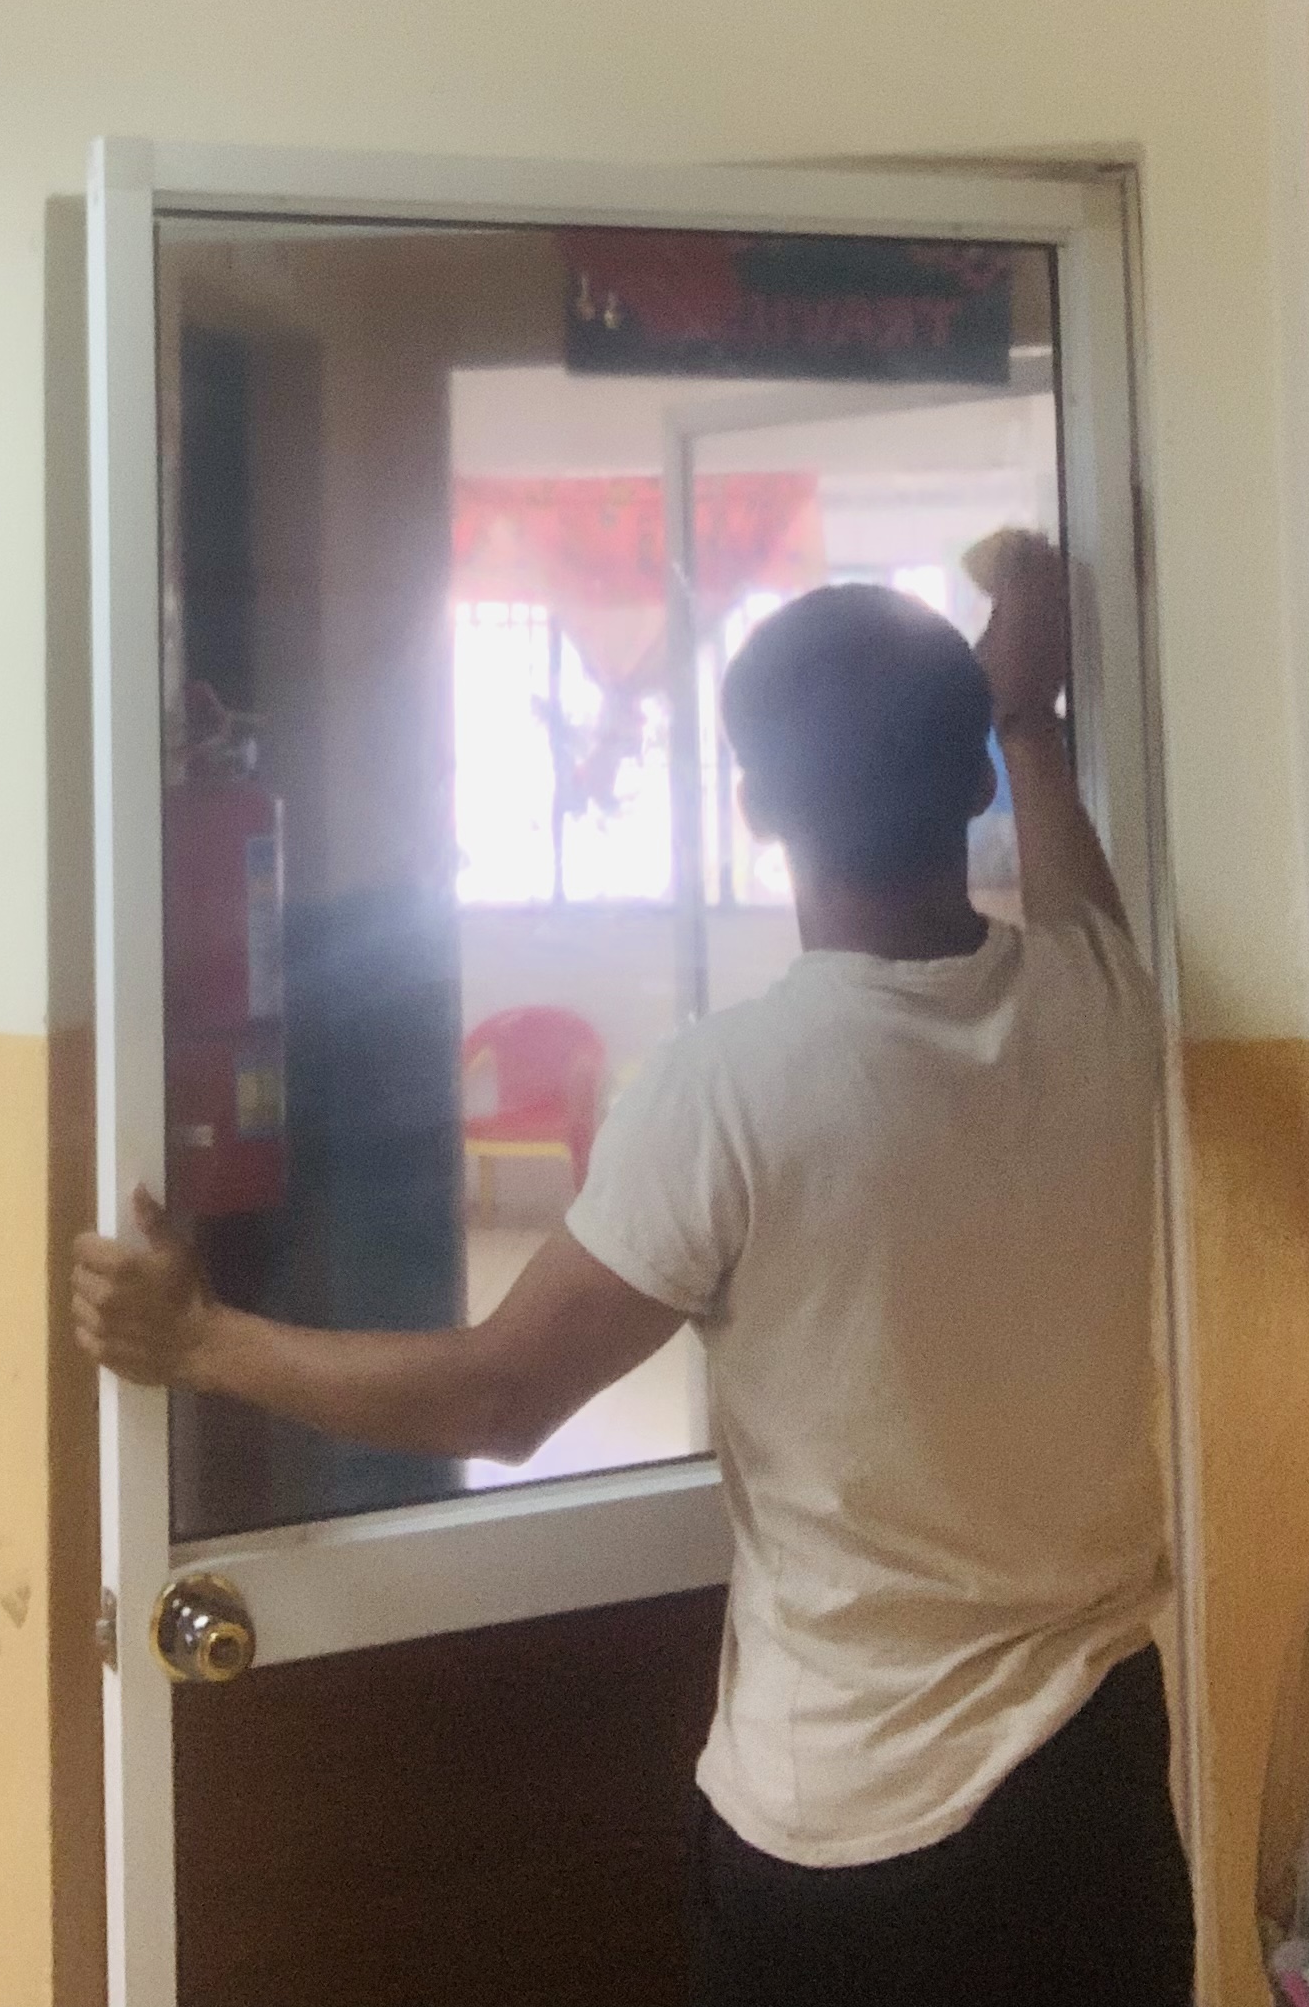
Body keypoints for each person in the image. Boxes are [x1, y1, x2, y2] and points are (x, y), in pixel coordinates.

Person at [73, 537, 1191, 2005]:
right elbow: (1070, 874)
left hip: (857, 1843)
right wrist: (1026, 715)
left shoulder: (731, 1089)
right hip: (1101, 1801)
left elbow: (498, 1399)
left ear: (756, 808)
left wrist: (199, 1340)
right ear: (971, 786)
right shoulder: (1104, 1006)